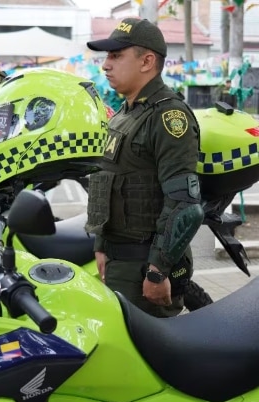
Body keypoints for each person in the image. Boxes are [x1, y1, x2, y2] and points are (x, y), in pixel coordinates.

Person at [85, 18, 204, 318]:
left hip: (144, 268)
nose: (105, 65)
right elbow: (108, 183)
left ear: (147, 61)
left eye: (115, 56)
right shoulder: (125, 113)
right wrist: (102, 246)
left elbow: (183, 204)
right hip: (118, 262)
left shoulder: (168, 116)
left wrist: (157, 272)